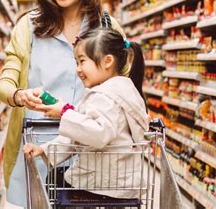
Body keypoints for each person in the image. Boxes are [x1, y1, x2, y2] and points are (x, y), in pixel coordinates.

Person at [0, 0, 126, 206]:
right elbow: (5, 82)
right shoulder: (28, 26)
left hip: (92, 153)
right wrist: (19, 95)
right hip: (35, 150)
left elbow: (124, 88)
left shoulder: (108, 28)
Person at [23, 28, 149, 200]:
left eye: (82, 61)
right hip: (116, 177)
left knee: (55, 182)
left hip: (107, 183)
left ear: (107, 61)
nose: (78, 69)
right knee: (58, 178)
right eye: (77, 63)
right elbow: (81, 134)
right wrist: (44, 150)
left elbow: (98, 134)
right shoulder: (120, 89)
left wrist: (65, 113)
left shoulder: (106, 96)